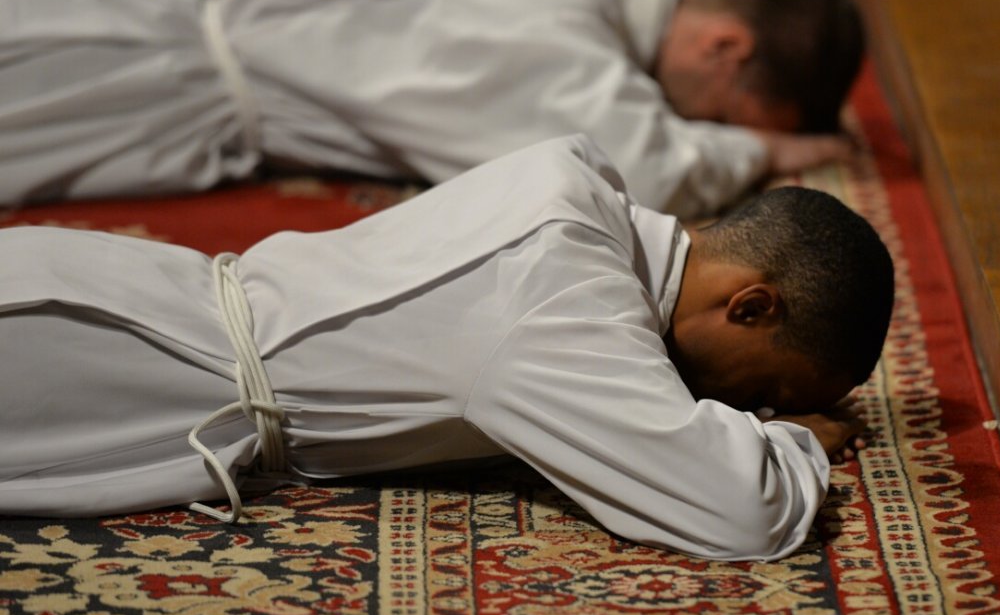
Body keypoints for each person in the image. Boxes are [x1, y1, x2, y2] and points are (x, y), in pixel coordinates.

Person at [0, 135, 893, 561]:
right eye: (766, 388)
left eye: (765, 408)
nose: (750, 409)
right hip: (103, 372)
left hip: (113, 298)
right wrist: (793, 444)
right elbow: (742, 513)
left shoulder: (576, 183)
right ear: (750, 305)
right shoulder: (563, 303)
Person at [0, 0, 863, 217]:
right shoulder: (562, 45)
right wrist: (755, 152)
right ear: (725, 46)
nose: (694, 123)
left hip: (121, 8)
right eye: (716, 111)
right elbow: (639, 174)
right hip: (129, 97)